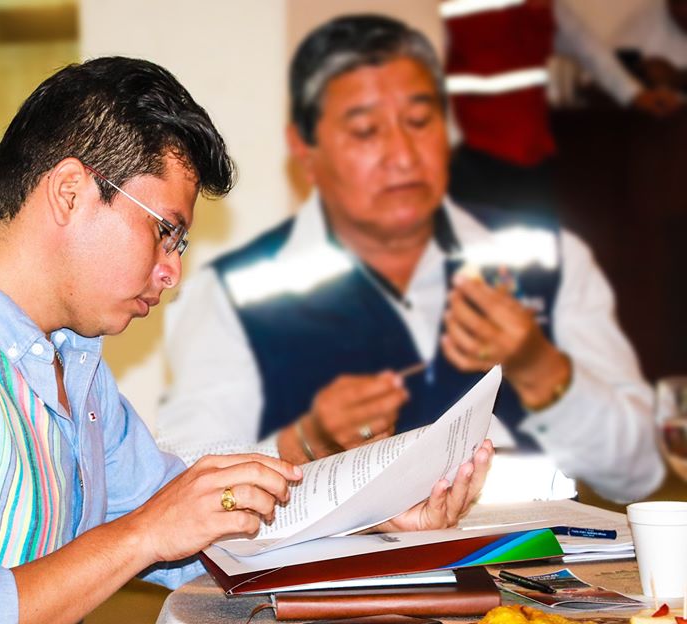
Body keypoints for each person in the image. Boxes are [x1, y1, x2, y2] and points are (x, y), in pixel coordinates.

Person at [0, 57, 491, 624]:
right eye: (165, 231)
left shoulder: (71, 363)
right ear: (69, 192)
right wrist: (142, 533)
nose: (172, 271)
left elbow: (201, 534)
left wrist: (377, 523)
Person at [157, 16, 664, 505]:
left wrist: (541, 369)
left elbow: (639, 473)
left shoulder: (544, 256)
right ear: (305, 149)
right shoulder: (233, 293)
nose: (402, 154)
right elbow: (182, 485)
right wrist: (301, 444)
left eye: (420, 122)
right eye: (365, 130)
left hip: (540, 562)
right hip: (342, 569)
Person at [444, 0, 682, 215]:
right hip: (476, 158)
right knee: (474, 241)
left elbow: (588, 49)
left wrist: (634, 94)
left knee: (536, 241)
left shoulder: (543, 8)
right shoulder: (463, 6)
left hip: (529, 158)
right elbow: (442, 74)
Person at [614, 0, 687, 93]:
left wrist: (676, 78)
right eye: (678, 3)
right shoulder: (652, 14)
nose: (684, 10)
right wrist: (642, 70)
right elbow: (618, 61)